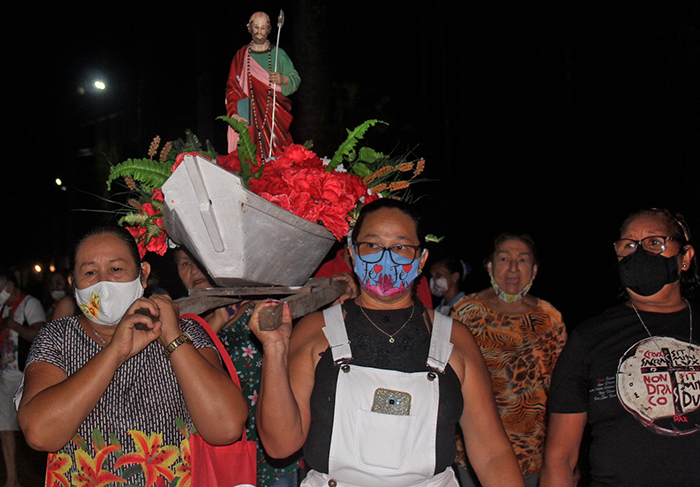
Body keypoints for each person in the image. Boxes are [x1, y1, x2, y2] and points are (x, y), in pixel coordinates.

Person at [249, 198, 525, 486]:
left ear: (421, 260)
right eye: (373, 245)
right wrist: (275, 349)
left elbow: (492, 454)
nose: (386, 259)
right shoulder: (315, 331)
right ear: (353, 254)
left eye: (401, 247)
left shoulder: (454, 338)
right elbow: (280, 445)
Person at [16, 225, 247, 486]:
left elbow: (226, 429)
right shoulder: (56, 338)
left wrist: (172, 339)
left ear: (143, 274)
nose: (103, 282)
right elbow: (40, 434)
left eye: (115, 269)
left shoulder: (185, 333)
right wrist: (114, 352)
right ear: (73, 283)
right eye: (90, 272)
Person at [541, 208, 700, 487]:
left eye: (654, 243)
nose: (639, 254)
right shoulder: (590, 338)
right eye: (628, 246)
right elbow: (560, 459)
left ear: (685, 257)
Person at [173, 246, 303, 487]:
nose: (195, 271)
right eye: (184, 264)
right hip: (213, 455)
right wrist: (216, 321)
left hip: (271, 457)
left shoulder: (261, 312)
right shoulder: (180, 323)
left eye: (201, 261)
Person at [450, 234, 567, 486]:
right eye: (504, 258)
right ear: (490, 266)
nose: (513, 267)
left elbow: (563, 392)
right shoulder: (465, 313)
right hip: (473, 455)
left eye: (522, 259)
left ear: (534, 270)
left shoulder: (550, 318)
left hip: (532, 456)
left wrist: (564, 460)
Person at [0, 266, 46, 487]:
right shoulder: (0, 311)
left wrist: (15, 326)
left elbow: (40, 334)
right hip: (6, 375)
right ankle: (12, 478)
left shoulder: (30, 304)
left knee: (33, 428)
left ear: (10, 286)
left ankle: (44, 473)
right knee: (5, 428)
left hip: (27, 375)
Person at [225, 10, 301, 156]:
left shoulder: (279, 54)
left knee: (280, 155)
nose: (259, 32)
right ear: (249, 28)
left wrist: (283, 79)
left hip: (274, 117)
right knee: (249, 156)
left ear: (269, 29)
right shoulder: (241, 56)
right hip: (248, 115)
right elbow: (232, 87)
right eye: (256, 27)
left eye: (263, 28)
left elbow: (295, 78)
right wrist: (233, 112)